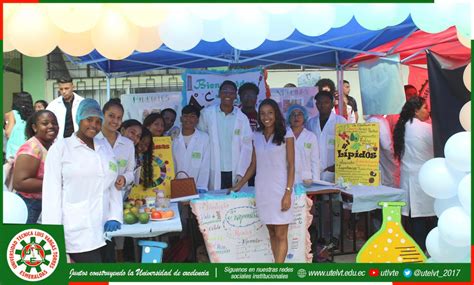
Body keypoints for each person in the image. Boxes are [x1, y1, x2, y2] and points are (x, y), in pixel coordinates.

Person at [42, 98, 122, 263]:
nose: (94, 125)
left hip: (103, 229)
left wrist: (115, 215)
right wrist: (53, 239)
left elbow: (112, 183)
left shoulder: (104, 146)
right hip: (76, 232)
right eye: (89, 119)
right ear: (79, 119)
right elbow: (51, 195)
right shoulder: (61, 149)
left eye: (98, 121)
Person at [231, 98, 295, 263]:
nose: (266, 117)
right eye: (263, 113)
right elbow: (253, 164)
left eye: (270, 113)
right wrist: (238, 185)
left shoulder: (286, 133)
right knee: (272, 232)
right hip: (263, 191)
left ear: (276, 114)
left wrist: (288, 193)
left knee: (281, 234)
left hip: (281, 189)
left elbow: (291, 165)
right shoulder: (256, 135)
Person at [393, 96, 434, 251]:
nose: (427, 110)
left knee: (415, 215)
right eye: (425, 107)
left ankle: (417, 249)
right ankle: (425, 249)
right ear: (416, 111)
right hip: (424, 176)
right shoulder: (425, 128)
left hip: (408, 176)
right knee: (425, 215)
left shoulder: (403, 126)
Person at [197, 80, 253, 190]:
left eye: (231, 92)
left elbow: (247, 148)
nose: (228, 95)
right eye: (225, 91)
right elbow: (200, 139)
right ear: (219, 94)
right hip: (213, 168)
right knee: (216, 204)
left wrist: (241, 172)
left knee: (236, 203)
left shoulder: (242, 118)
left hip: (235, 170)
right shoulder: (207, 114)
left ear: (235, 96)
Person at [12, 110, 59, 223]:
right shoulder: (32, 148)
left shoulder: (51, 146)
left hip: (44, 204)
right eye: (45, 123)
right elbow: (20, 183)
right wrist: (56, 184)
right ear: (34, 127)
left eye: (54, 123)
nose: (51, 126)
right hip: (30, 206)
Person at [98, 98, 135, 198]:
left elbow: (130, 172)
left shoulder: (128, 144)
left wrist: (124, 178)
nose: (115, 121)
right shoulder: (93, 141)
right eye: (111, 116)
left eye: (119, 118)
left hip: (118, 197)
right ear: (102, 115)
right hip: (96, 198)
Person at [306, 91, 347, 182]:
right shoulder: (310, 123)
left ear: (332, 104)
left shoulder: (341, 122)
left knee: (334, 195)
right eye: (319, 103)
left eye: (326, 102)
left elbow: (346, 147)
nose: (322, 105)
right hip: (315, 170)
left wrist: (336, 166)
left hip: (334, 170)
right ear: (316, 105)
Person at [172, 105, 210, 191]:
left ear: (197, 120)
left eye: (192, 116)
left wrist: (201, 186)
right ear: (181, 119)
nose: (188, 119)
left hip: (196, 186)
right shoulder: (173, 138)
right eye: (185, 116)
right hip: (175, 185)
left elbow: (205, 165)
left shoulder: (204, 138)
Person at [287, 105, 320, 185]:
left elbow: (315, 161)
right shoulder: (283, 135)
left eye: (299, 114)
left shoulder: (311, 137)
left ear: (304, 117)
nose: (296, 117)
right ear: (289, 118)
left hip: (306, 180)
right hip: (287, 179)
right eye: (293, 114)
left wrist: (315, 182)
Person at [364, 114, 400, 188]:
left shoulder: (369, 120)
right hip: (384, 163)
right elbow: (386, 146)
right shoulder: (379, 120)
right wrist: (395, 159)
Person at [5, 92, 34, 159]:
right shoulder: (33, 113)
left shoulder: (13, 113)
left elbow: (8, 133)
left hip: (15, 148)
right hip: (29, 147)